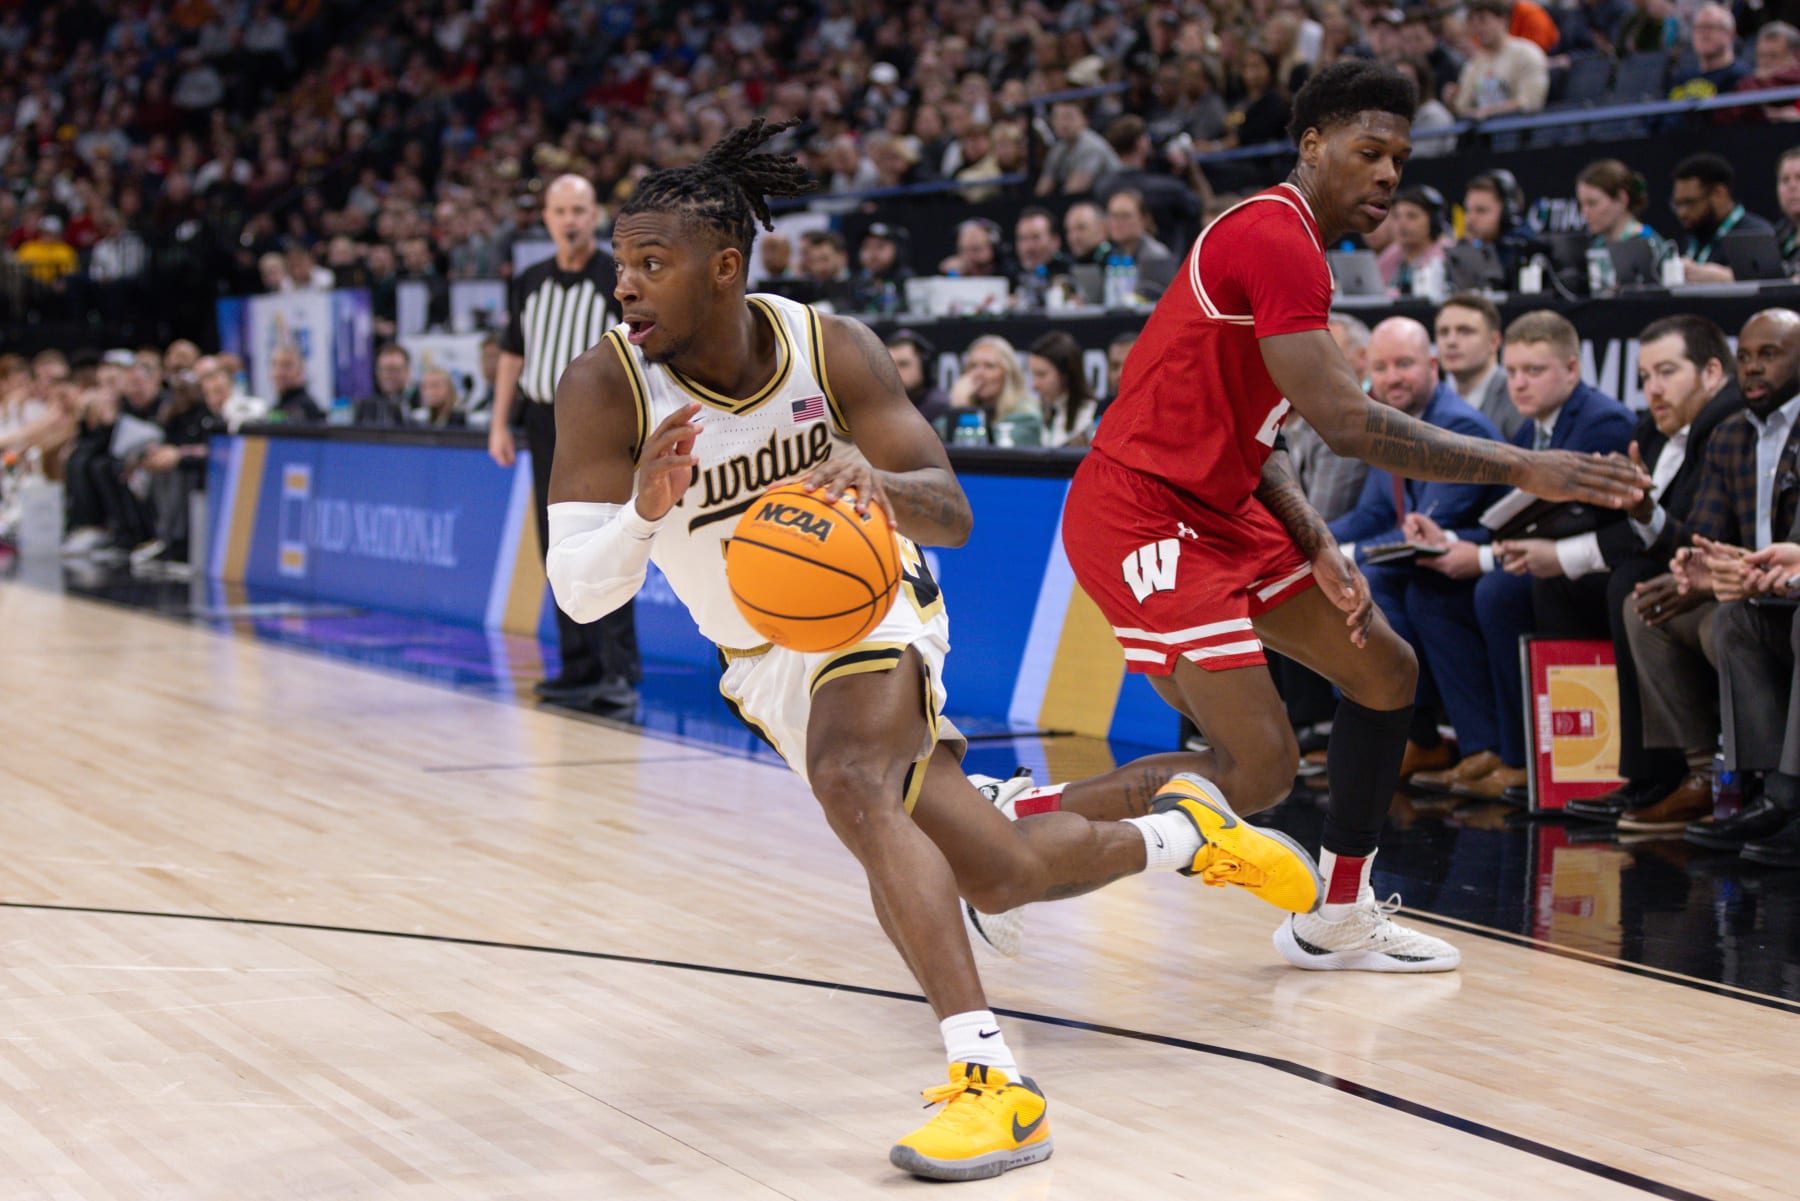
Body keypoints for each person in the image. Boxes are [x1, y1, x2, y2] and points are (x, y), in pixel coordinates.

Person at [544, 117, 1329, 1184]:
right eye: (622, 263)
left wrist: (877, 486)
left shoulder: (831, 348)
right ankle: (1182, 833)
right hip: (761, 655)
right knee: (998, 875)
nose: (624, 285)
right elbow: (581, 591)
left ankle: (991, 1082)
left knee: (854, 777)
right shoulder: (606, 386)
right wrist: (644, 510)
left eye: (651, 263)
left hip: (873, 600)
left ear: (725, 267)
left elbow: (950, 512)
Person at [1054, 61, 1645, 973]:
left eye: (1400, 160)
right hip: (1144, 510)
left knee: (1384, 671)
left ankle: (1338, 914)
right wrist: (1526, 463)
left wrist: (1317, 538)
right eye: (1369, 152)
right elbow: (1349, 423)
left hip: (1225, 506)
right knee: (1260, 768)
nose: (1387, 174)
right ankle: (1013, 824)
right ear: (1312, 143)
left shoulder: (1297, 249)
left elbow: (1267, 438)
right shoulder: (1274, 235)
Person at [488, 173, 640, 713]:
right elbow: (513, 353)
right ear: (547, 219)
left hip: (600, 425)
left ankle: (618, 672)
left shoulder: (614, 277)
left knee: (606, 542)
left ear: (594, 215)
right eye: (560, 211)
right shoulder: (529, 280)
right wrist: (499, 423)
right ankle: (578, 667)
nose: (570, 220)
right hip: (542, 423)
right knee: (556, 548)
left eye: (579, 210)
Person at [1671, 152, 1779, 283]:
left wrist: (1727, 278)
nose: (1682, 213)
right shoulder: (1693, 238)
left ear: (1719, 193)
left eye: (1690, 203)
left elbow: (1771, 286)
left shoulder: (1756, 236)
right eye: (1677, 204)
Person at [1433, 292, 1523, 439]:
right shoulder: (1434, 400)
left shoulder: (1518, 396)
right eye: (1443, 332)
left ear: (1494, 342)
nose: (1451, 341)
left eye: (1465, 331)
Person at [1576, 159, 1676, 282]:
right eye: (1582, 204)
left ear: (1621, 199)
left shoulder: (1653, 247)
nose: (1584, 212)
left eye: (1592, 203)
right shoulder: (1596, 247)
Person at [1026, 331, 1098, 448]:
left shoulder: (1092, 417)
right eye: (1033, 374)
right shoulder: (1041, 412)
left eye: (1041, 374)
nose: (1034, 385)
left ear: (1066, 374)